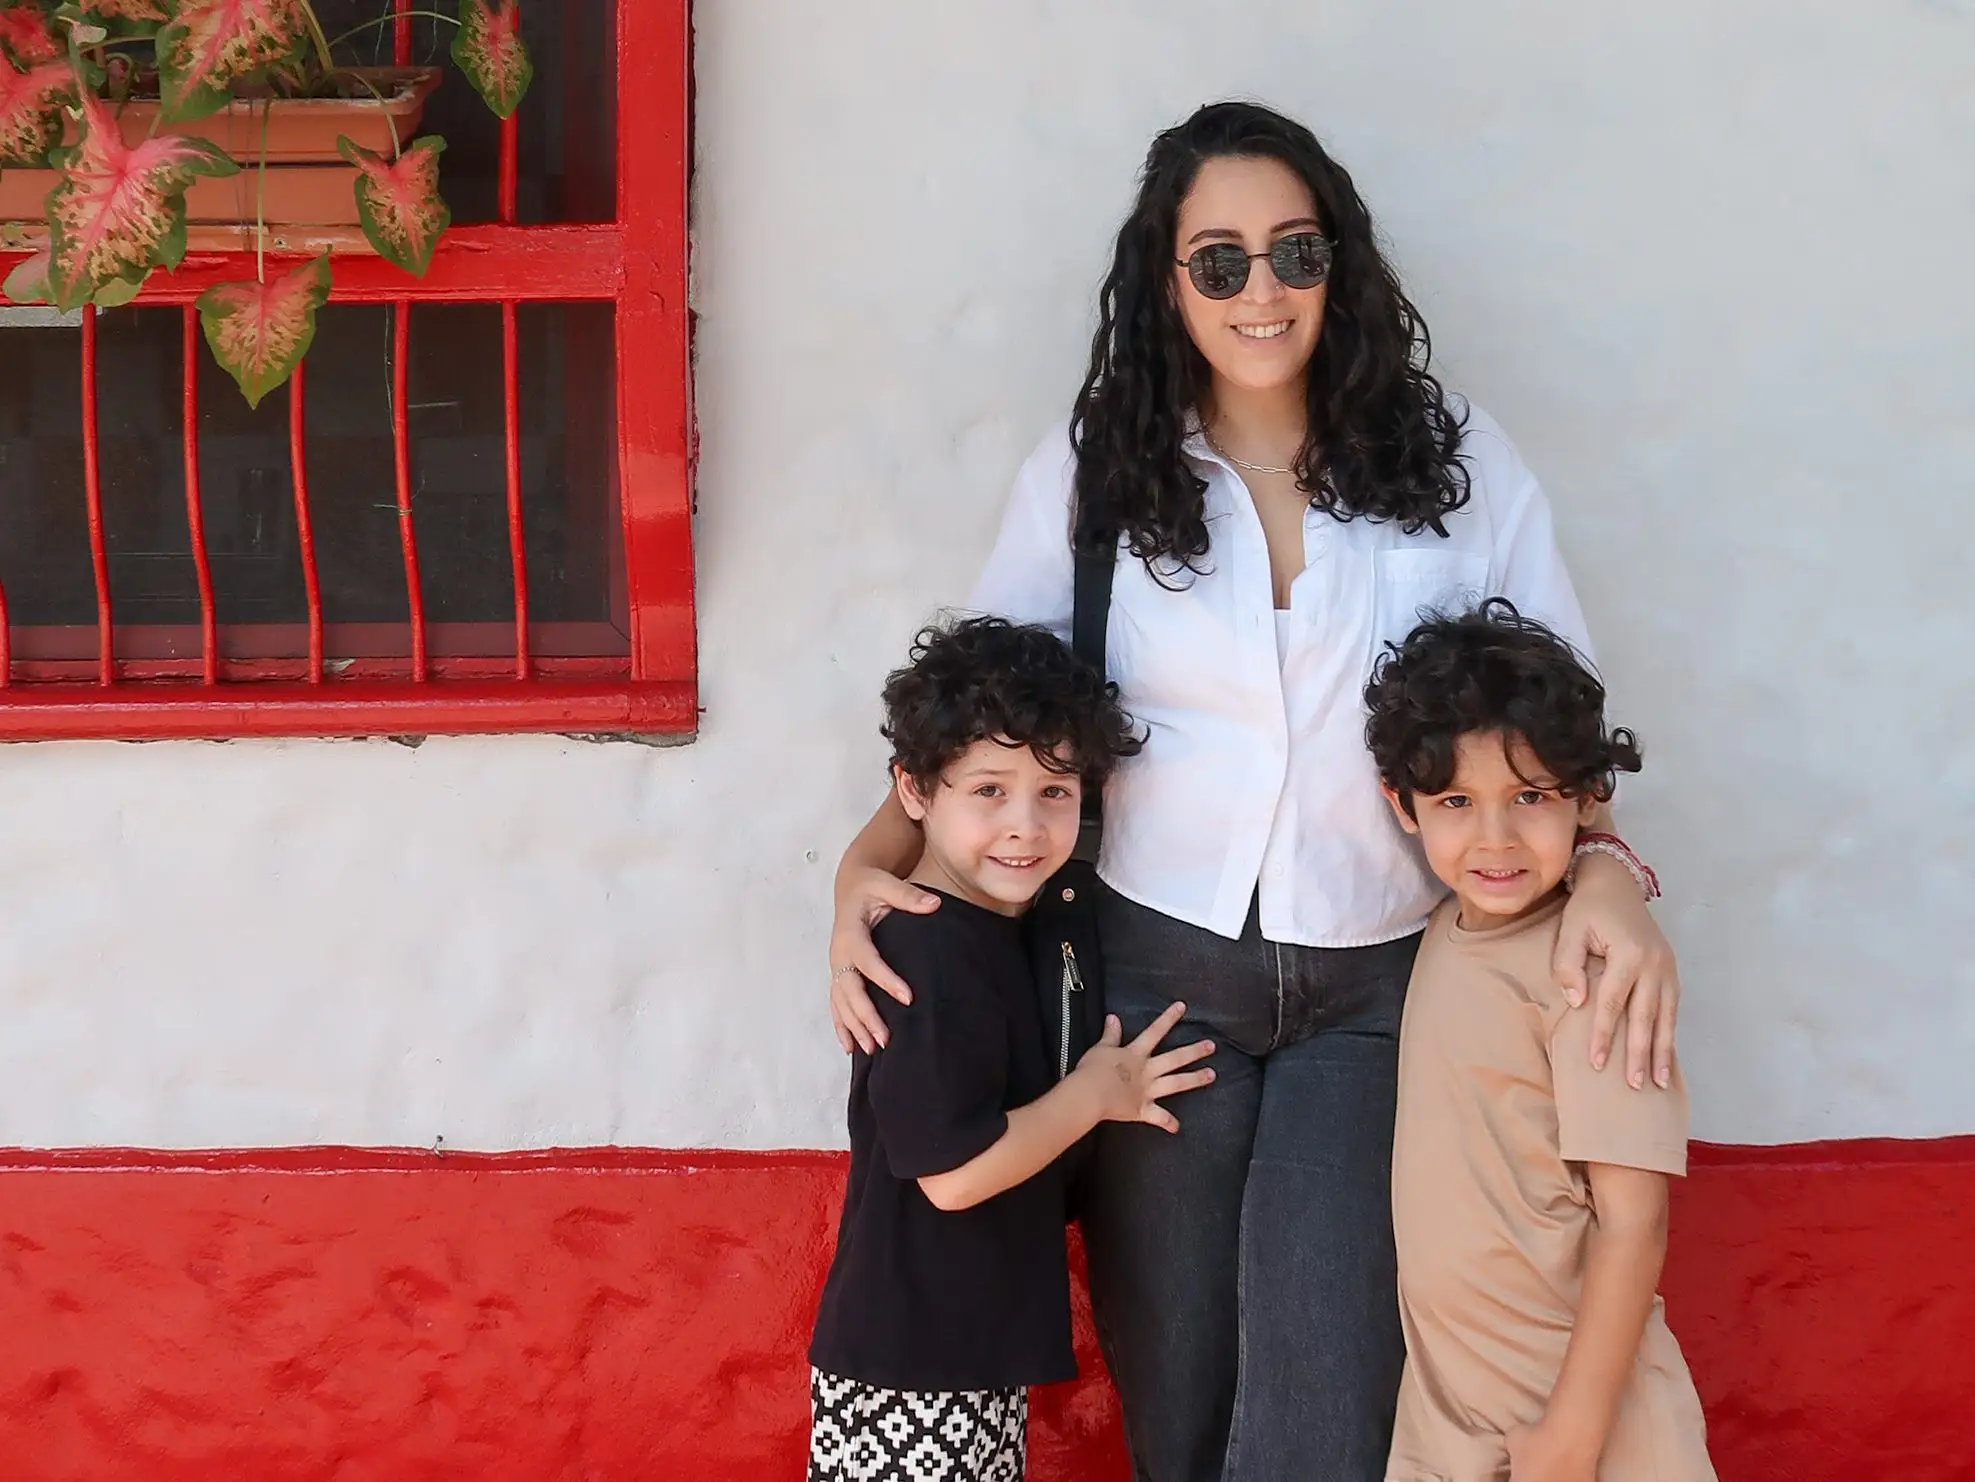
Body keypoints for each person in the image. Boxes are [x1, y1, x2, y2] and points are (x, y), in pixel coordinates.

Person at [827, 101, 1682, 1482]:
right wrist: (854, 875)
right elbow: (977, 706)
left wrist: (1605, 876)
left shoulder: (1448, 465)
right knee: (1178, 1388)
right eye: (1214, 260)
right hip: (1155, 973)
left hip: (1378, 981)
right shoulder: (1098, 471)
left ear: (1335, 261)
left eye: (1290, 250)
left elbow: (1553, 721)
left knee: (1324, 1384)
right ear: (1165, 284)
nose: (1258, 288)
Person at [807, 617, 1217, 1482]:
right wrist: (1096, 1095)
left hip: (953, 1351)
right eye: (987, 791)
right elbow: (951, 1176)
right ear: (914, 791)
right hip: (910, 1368)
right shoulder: (927, 953)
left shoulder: (996, 931)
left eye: (1054, 792)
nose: (1024, 826)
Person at [1365, 600, 1714, 1482]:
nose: (1495, 839)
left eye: (1530, 797)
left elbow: (1635, 1222)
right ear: (1401, 807)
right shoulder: (1442, 929)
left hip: (1586, 1430)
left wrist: (1570, 1437)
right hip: (1455, 1417)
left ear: (1587, 799)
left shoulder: (1592, 969)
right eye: (1455, 801)